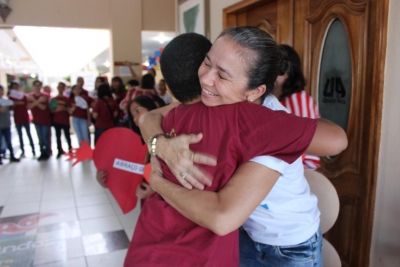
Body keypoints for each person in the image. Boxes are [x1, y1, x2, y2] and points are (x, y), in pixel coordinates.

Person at [125, 30, 347, 266]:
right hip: (246, 233)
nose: (205, 78)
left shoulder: (262, 123)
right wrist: (161, 145)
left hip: (287, 244)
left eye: (222, 74)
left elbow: (222, 218)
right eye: (207, 62)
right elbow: (148, 118)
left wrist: (158, 181)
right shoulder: (215, 101)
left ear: (255, 92)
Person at [96, 94, 166, 203]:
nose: (135, 119)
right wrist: (108, 179)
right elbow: (129, 175)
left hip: (171, 206)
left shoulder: (169, 137)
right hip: (149, 206)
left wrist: (156, 190)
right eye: (132, 115)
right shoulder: (139, 143)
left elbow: (181, 178)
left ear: (154, 106)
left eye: (138, 111)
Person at [275, 44, 321, 170]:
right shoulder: (282, 98)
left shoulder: (297, 99)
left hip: (303, 167)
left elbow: (302, 141)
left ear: (288, 72)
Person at [8, 81, 36, 158]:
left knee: (29, 135)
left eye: (17, 86)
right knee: (20, 136)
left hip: (25, 118)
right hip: (17, 119)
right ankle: (23, 152)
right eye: (14, 87)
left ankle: (34, 151)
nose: (15, 88)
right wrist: (14, 104)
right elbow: (10, 108)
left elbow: (28, 105)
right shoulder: (11, 97)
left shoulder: (23, 96)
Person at [28, 80, 51, 161]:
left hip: (45, 120)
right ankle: (42, 153)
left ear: (41, 86)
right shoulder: (31, 96)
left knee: (45, 138)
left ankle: (47, 153)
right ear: (33, 86)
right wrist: (38, 101)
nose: (37, 87)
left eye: (39, 85)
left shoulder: (45, 95)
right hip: (36, 120)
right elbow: (29, 107)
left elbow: (43, 107)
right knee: (40, 138)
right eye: (36, 85)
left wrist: (34, 101)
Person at [0, 85, 20, 164]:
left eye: (2, 90)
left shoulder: (6, 100)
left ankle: (12, 156)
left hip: (7, 124)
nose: (1, 92)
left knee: (9, 141)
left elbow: (10, 110)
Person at [52, 82, 72, 158]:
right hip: (57, 121)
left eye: (62, 87)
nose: (60, 88)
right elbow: (51, 110)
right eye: (59, 87)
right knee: (58, 136)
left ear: (64, 89)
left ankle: (70, 149)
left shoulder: (67, 99)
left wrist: (64, 109)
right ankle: (59, 151)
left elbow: (70, 110)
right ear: (57, 88)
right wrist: (57, 110)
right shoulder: (54, 99)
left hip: (65, 120)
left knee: (67, 136)